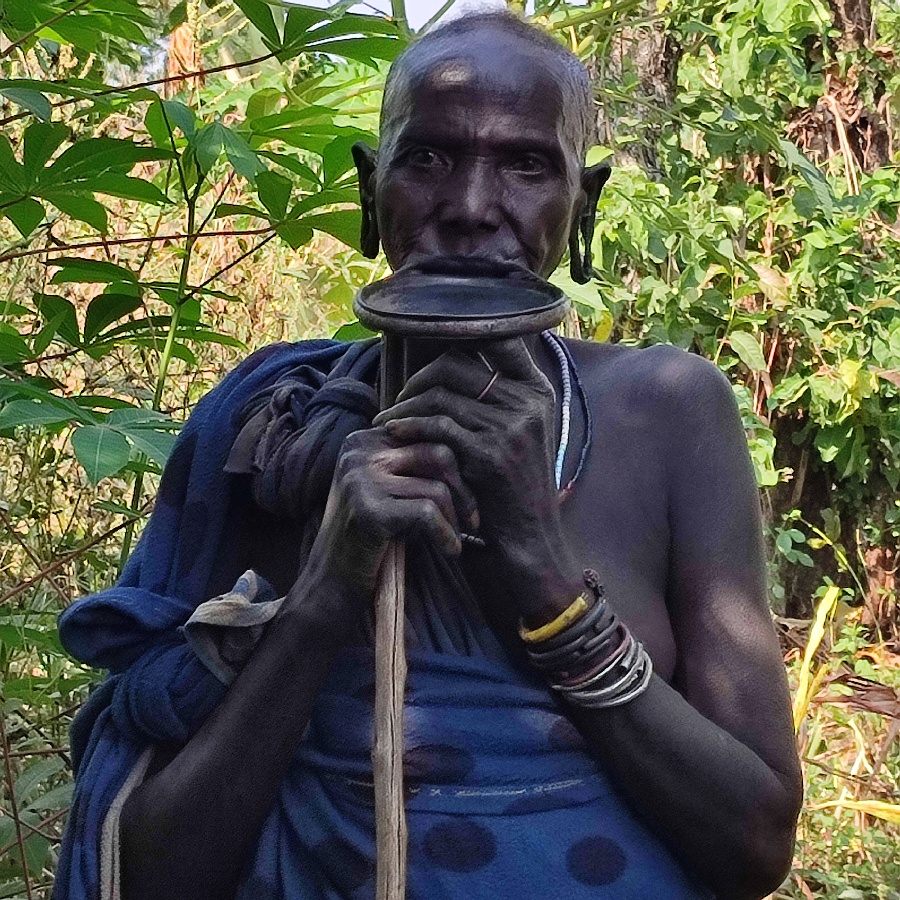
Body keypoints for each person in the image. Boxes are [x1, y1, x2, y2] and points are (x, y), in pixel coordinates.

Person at [53, 11, 802, 900]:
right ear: (371, 195)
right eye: (428, 158)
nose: (474, 208)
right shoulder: (270, 435)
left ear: (584, 203)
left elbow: (756, 847)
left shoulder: (668, 410)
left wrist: (549, 586)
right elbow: (146, 877)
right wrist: (328, 589)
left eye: (527, 165)